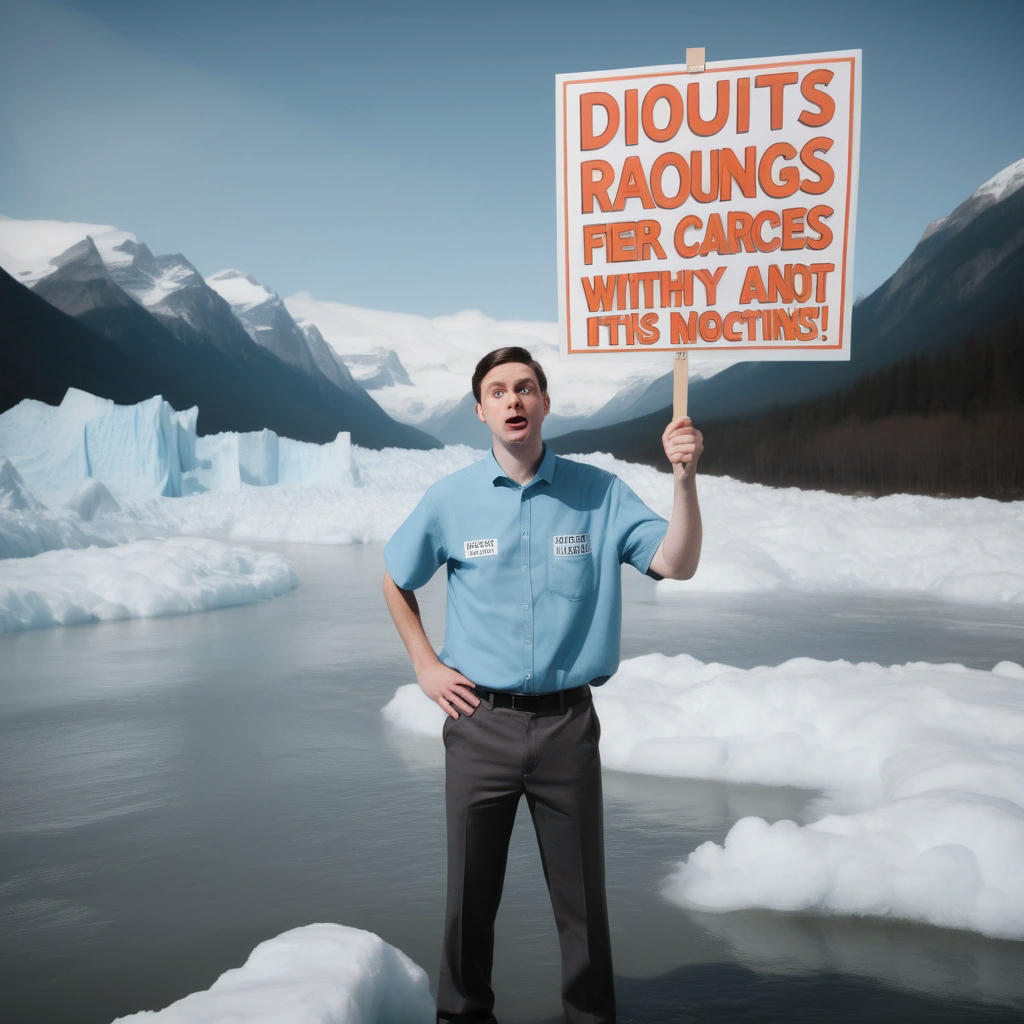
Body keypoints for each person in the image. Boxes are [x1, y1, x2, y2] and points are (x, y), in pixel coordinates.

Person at [382, 346, 703, 1024]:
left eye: (525, 387)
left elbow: (677, 561)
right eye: (498, 391)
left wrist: (684, 480)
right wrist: (425, 664)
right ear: (480, 411)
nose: (513, 399)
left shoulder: (600, 492)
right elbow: (395, 576)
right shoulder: (451, 499)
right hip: (480, 728)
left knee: (583, 908)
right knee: (468, 905)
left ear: (546, 402)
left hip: (566, 728)